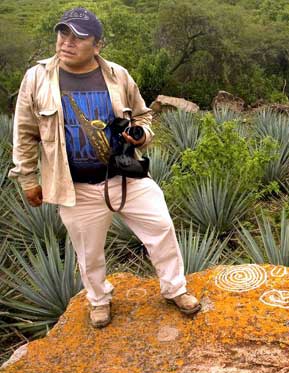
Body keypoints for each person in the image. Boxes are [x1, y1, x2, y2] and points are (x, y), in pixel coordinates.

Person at [8, 7, 201, 328]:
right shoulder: (38, 77)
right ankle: (98, 300)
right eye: (63, 34)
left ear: (96, 45)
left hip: (126, 176)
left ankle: (175, 288)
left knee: (161, 227)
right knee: (89, 251)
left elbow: (142, 115)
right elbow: (25, 132)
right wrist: (28, 178)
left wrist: (140, 135)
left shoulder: (117, 75)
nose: (67, 42)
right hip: (76, 186)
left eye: (78, 37)